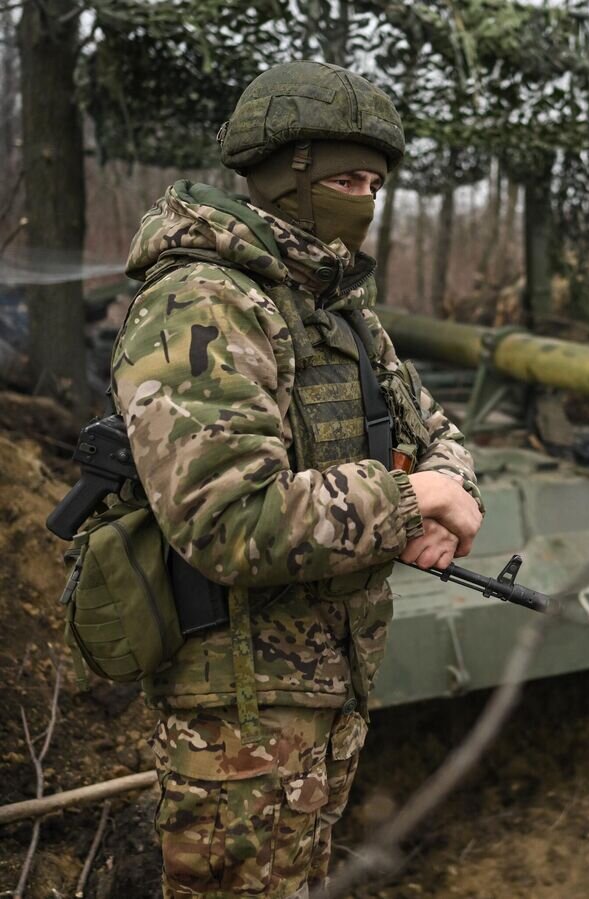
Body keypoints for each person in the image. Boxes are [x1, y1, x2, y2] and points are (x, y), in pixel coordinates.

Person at [111, 60, 483, 897]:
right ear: (287, 177)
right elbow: (228, 519)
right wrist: (411, 498)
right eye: (345, 179)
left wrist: (445, 493)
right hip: (235, 718)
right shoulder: (204, 303)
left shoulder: (339, 307)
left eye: (375, 182)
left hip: (327, 692)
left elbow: (441, 436)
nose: (364, 200)